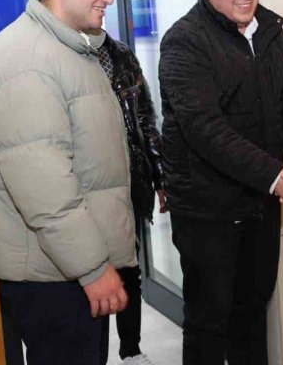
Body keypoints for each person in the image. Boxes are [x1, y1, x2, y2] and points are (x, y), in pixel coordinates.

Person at [0, 0, 134, 365]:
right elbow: (46, 193)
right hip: (53, 274)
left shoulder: (69, 48)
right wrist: (92, 268)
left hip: (64, 265)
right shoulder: (27, 63)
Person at [158, 0, 283, 365]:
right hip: (207, 210)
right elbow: (205, 130)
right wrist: (277, 177)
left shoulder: (268, 29)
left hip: (259, 203)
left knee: (252, 311)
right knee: (209, 322)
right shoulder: (184, 42)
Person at [88, 27, 167, 365]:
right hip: (87, 183)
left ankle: (131, 350)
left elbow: (145, 118)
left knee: (127, 267)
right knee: (90, 269)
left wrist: (159, 176)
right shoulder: (65, 56)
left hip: (129, 178)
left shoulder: (120, 54)